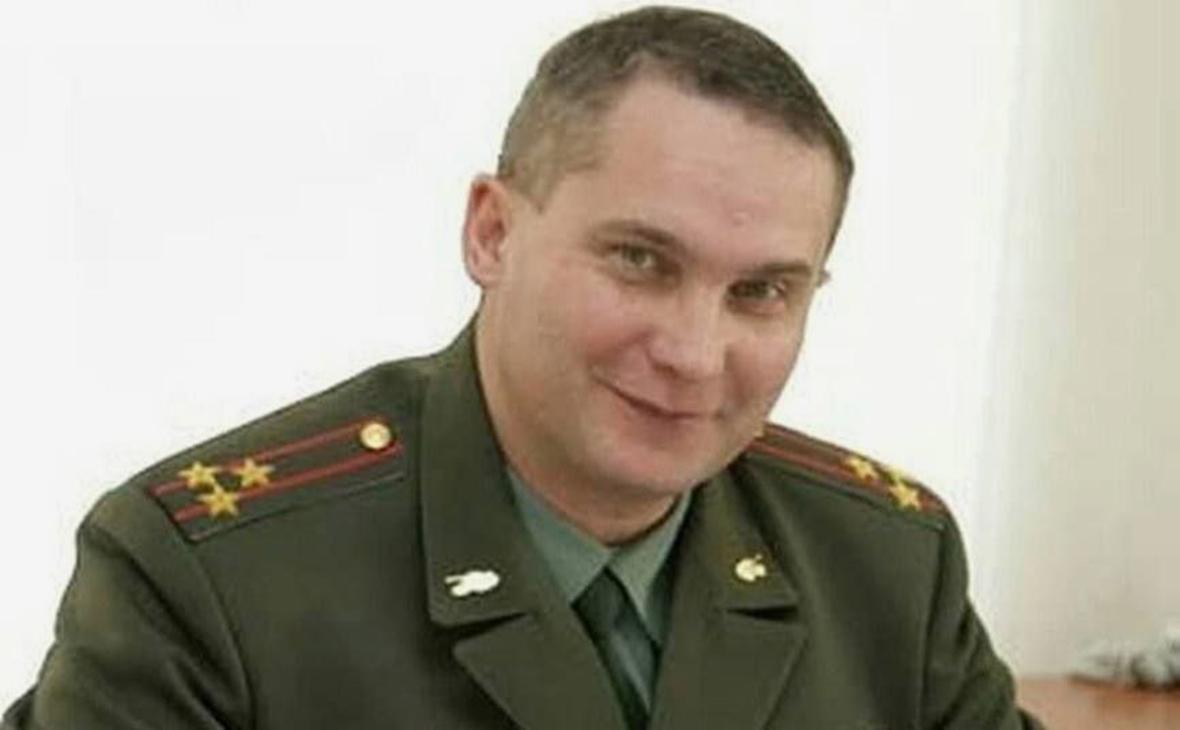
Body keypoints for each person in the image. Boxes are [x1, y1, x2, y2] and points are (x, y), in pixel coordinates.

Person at [3, 6, 1042, 729]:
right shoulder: (211, 575)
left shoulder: (887, 566)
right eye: (640, 261)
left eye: (761, 291)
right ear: (492, 232)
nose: (693, 354)